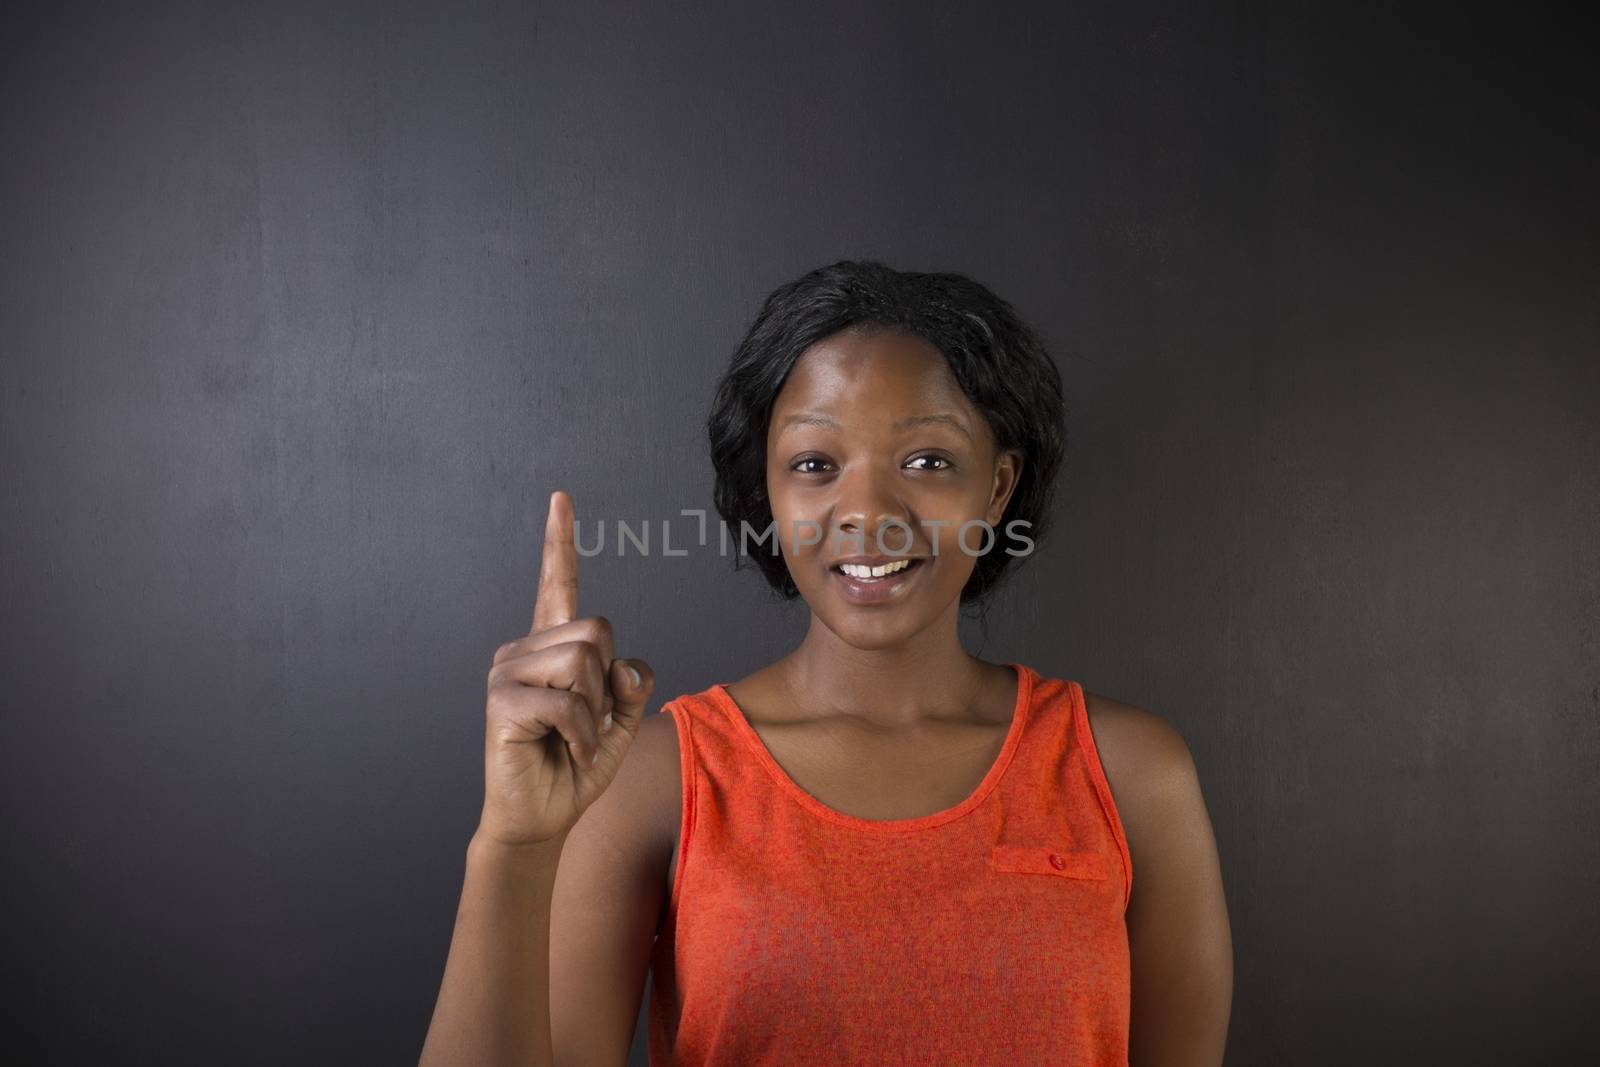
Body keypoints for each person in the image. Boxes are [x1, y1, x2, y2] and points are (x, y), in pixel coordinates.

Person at [419, 260, 1233, 1066]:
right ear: (766, 494)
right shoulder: (656, 778)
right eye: (814, 464)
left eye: (927, 461)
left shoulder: (1128, 774)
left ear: (997, 488)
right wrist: (514, 847)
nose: (869, 512)